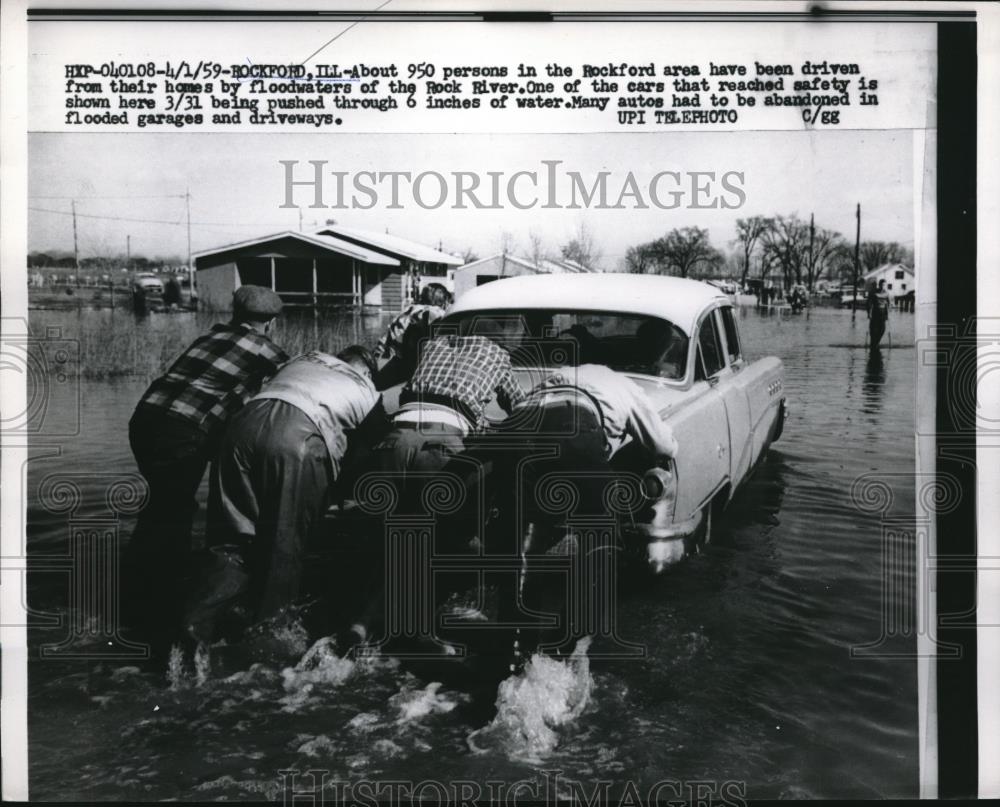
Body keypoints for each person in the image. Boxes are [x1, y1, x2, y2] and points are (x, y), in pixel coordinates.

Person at [185, 345, 386, 643]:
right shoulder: (366, 388)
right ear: (367, 371)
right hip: (297, 438)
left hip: (241, 428)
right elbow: (370, 456)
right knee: (284, 545)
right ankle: (269, 641)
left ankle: (194, 627)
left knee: (229, 542)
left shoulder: (302, 359)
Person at [124, 285, 287, 650]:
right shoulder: (264, 349)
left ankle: (145, 590)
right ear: (272, 323)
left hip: (145, 420)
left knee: (163, 506)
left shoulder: (211, 335)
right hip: (181, 430)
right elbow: (294, 381)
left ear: (234, 312)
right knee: (174, 510)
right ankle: (155, 604)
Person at [492, 362, 679, 660]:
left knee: (518, 543)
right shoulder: (624, 384)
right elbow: (663, 445)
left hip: (515, 429)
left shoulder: (555, 377)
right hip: (572, 426)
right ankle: (567, 645)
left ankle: (510, 647)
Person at [372, 282, 452, 390]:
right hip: (412, 366)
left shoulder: (407, 310)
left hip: (390, 360)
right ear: (443, 301)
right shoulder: (436, 313)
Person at [867, 279, 890, 349]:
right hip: (875, 312)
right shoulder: (873, 292)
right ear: (879, 285)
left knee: (882, 329)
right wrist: (868, 313)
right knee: (873, 330)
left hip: (882, 313)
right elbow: (868, 303)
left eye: (884, 285)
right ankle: (873, 343)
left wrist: (887, 314)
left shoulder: (886, 293)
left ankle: (876, 342)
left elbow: (887, 304)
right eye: (881, 285)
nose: (883, 286)